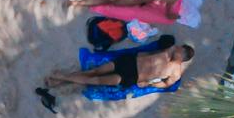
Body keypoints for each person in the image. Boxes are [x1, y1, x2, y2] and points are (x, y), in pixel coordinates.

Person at [44, 35, 193, 94]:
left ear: (183, 56)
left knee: (94, 80)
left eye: (181, 50)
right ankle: (60, 79)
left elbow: (166, 84)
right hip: (130, 62)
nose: (178, 49)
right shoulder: (170, 48)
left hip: (133, 76)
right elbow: (164, 40)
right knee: (95, 72)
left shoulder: (176, 73)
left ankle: (61, 78)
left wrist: (150, 84)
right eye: (179, 48)